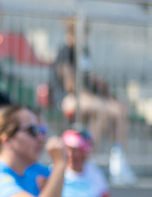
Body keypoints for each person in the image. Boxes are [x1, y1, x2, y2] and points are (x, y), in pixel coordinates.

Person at [50, 19, 128, 150]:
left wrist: (103, 89)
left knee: (119, 110)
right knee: (100, 109)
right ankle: (88, 151)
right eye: (83, 32)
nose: (86, 36)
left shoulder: (84, 52)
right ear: (72, 32)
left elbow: (89, 77)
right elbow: (69, 85)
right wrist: (88, 93)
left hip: (86, 97)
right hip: (66, 98)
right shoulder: (65, 51)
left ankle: (118, 153)